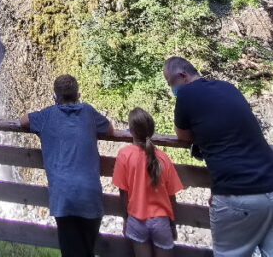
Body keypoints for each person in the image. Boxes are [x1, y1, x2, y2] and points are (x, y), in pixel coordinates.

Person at [164, 57, 273, 257]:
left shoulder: (186, 94)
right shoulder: (228, 87)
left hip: (238, 195)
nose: (172, 90)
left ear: (182, 76)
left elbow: (183, 136)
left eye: (171, 84)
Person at [20, 74, 112, 257]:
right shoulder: (87, 111)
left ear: (55, 96)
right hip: (90, 194)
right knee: (87, 251)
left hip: (63, 196)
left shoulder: (46, 115)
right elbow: (109, 129)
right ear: (78, 94)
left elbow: (23, 120)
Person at [112, 108, 184, 257]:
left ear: (131, 130)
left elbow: (123, 192)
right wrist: (172, 222)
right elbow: (172, 196)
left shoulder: (124, 154)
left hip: (136, 219)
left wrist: (126, 218)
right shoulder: (163, 157)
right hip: (161, 221)